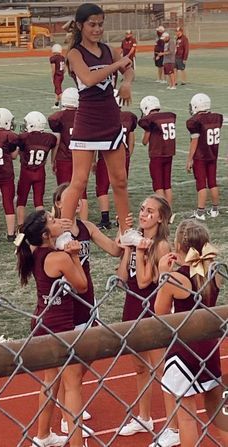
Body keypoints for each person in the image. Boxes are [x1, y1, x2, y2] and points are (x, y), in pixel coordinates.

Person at [62, 3, 137, 246]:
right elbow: (90, 78)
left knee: (120, 179)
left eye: (100, 24)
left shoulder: (108, 49)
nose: (97, 29)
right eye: (92, 24)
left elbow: (129, 69)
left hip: (110, 120)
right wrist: (118, 65)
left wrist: (127, 82)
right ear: (81, 25)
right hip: (87, 122)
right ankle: (63, 232)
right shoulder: (75, 53)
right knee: (79, 180)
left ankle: (126, 230)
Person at [52, 181, 124, 435]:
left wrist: (123, 232)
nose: (78, 201)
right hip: (63, 300)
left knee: (91, 349)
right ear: (59, 203)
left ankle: (69, 396)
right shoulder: (51, 230)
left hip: (87, 297)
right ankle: (66, 415)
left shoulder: (87, 227)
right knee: (67, 358)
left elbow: (115, 250)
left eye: (80, 198)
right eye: (71, 197)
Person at [15, 209, 88, 447]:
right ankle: (76, 442)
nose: (58, 221)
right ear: (46, 234)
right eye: (53, 221)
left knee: (50, 381)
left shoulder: (36, 252)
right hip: (61, 329)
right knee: (72, 385)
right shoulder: (61, 258)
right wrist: (75, 255)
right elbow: (82, 286)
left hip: (42, 323)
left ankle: (43, 435)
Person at [154, 218, 228, 447]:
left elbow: (160, 313)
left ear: (178, 246)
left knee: (186, 417)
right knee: (219, 413)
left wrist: (163, 274)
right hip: (209, 350)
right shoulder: (215, 272)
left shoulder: (175, 279)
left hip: (182, 352)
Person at [117, 196, 179, 446]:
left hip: (152, 311)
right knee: (140, 368)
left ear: (161, 218)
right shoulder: (138, 242)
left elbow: (145, 282)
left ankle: (174, 427)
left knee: (163, 370)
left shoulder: (161, 246)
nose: (143, 214)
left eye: (150, 211)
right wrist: (129, 247)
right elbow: (123, 278)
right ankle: (144, 418)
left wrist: (140, 249)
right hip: (131, 307)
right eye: (142, 209)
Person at [95, 89, 138, 230]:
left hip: (106, 154)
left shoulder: (102, 117)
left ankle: (105, 219)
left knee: (102, 187)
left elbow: (95, 140)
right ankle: (123, 219)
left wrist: (93, 161)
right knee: (120, 187)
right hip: (123, 154)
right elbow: (131, 139)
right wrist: (128, 154)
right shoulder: (129, 117)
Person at [48, 87, 88, 220]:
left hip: (64, 158)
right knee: (82, 193)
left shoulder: (57, 118)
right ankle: (83, 223)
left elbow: (57, 141)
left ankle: (64, 221)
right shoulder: (84, 116)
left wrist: (52, 160)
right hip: (81, 157)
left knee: (63, 191)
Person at [186, 93, 223, 221]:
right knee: (212, 182)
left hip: (200, 156)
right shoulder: (217, 117)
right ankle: (215, 210)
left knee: (201, 184)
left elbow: (195, 141)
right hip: (213, 154)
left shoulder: (194, 121)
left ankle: (200, 212)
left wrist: (189, 159)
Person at [16, 111, 57, 225]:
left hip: (26, 173)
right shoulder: (50, 138)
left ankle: (20, 226)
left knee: (21, 201)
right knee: (39, 202)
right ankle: (41, 225)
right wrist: (53, 160)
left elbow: (18, 148)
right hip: (40, 172)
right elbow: (56, 142)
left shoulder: (24, 137)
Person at [138, 96, 176, 209]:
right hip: (169, 154)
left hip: (157, 155)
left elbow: (145, 141)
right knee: (167, 185)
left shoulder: (150, 120)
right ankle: (169, 211)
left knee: (158, 185)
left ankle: (163, 211)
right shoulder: (168, 116)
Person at [0, 108, 19, 243]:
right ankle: (10, 234)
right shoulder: (10, 136)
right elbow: (14, 156)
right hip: (6, 175)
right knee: (8, 204)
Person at [49, 43, 66, 109]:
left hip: (57, 76)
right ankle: (56, 104)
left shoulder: (53, 58)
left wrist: (52, 76)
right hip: (61, 75)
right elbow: (64, 68)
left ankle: (64, 104)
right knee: (57, 90)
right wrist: (62, 73)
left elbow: (53, 68)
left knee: (59, 91)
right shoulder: (62, 57)